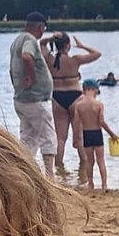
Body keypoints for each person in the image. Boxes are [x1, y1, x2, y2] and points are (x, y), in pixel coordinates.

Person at [45, 31, 102, 173]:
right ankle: (84, 168)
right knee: (79, 136)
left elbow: (41, 45)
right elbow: (97, 54)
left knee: (60, 138)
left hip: (57, 97)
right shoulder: (75, 60)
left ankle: (58, 169)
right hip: (75, 97)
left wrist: (50, 39)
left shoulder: (49, 60)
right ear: (68, 45)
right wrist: (82, 46)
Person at [8, 11, 56, 178]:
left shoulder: (16, 41)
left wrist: (18, 85)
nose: (43, 32)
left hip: (22, 98)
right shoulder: (29, 40)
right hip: (36, 99)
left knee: (28, 138)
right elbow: (27, 57)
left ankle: (25, 175)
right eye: (43, 28)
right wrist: (30, 77)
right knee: (48, 137)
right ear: (39, 26)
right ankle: (50, 176)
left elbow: (11, 68)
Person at [71, 80, 118, 191]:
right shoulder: (98, 104)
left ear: (84, 89)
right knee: (100, 160)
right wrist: (112, 134)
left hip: (86, 134)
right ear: (94, 89)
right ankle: (104, 184)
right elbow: (101, 122)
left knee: (89, 161)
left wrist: (75, 138)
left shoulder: (78, 105)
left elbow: (76, 123)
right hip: (97, 133)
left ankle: (90, 183)